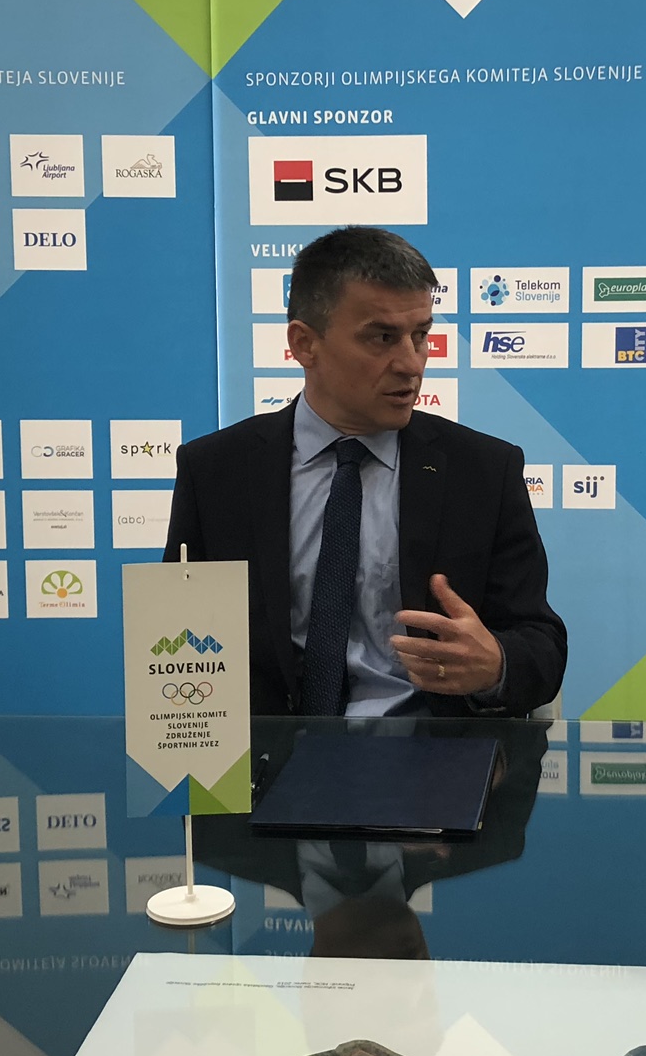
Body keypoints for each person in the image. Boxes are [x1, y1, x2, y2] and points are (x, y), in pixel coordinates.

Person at [165, 227, 566, 717]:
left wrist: (495, 665)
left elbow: (542, 648)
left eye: (421, 335)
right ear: (304, 344)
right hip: (271, 756)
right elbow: (179, 639)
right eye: (382, 338)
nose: (411, 364)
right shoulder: (215, 471)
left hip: (433, 754)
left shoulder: (483, 471)